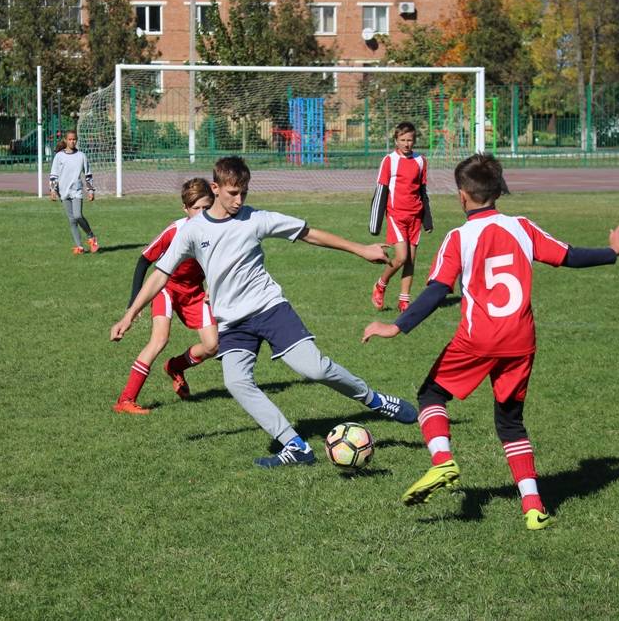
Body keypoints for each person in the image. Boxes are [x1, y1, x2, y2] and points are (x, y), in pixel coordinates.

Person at [362, 153, 619, 530]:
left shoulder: (459, 237)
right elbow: (569, 256)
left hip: (478, 339)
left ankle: (442, 461)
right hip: (521, 341)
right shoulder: (522, 227)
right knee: (510, 423)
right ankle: (534, 507)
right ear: (498, 191)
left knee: (431, 395)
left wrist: (396, 326)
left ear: (462, 195)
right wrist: (612, 252)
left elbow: (438, 289)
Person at [112, 156, 418, 468]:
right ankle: (295, 446)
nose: (239, 200)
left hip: (269, 309)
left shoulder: (255, 219)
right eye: (233, 193)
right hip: (232, 322)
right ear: (215, 188)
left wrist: (361, 249)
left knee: (314, 369)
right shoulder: (192, 230)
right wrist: (130, 313)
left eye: (243, 192)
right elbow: (161, 273)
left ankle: (377, 401)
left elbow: (308, 233)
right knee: (237, 382)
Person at [113, 178, 220, 415]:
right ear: (185, 209)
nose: (201, 213)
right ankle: (126, 400)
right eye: (195, 209)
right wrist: (134, 303)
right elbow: (144, 260)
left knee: (213, 346)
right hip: (167, 288)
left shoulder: (219, 230)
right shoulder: (176, 230)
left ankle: (175, 367)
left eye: (206, 207)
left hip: (194, 292)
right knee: (159, 340)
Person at [368, 121, 433, 313]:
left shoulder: (421, 161)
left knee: (411, 260)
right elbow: (381, 190)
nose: (407, 144)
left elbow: (422, 191)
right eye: (403, 140)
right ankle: (381, 284)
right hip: (397, 216)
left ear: (414, 140)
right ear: (396, 140)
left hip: (416, 216)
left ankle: (404, 301)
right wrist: (375, 223)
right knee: (402, 257)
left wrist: (427, 219)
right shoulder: (389, 161)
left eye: (410, 140)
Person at [50, 130, 98, 255]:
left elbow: (88, 174)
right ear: (66, 140)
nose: (72, 141)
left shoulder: (81, 156)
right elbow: (54, 175)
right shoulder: (59, 156)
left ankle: (91, 237)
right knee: (71, 220)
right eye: (70, 139)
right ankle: (79, 247)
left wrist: (90, 190)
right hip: (63, 191)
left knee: (77, 215)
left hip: (76, 191)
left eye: (74, 139)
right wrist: (53, 190)